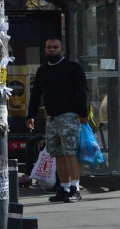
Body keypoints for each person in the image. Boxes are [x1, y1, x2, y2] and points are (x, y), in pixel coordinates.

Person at [27, 37, 89, 202]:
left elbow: (83, 90)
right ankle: (64, 188)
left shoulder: (72, 67)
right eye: (49, 47)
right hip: (51, 119)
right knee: (58, 154)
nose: (52, 49)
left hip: (69, 116)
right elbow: (36, 94)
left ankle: (75, 188)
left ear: (61, 49)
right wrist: (31, 115)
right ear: (45, 49)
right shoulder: (43, 70)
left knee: (70, 153)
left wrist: (83, 114)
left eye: (55, 47)